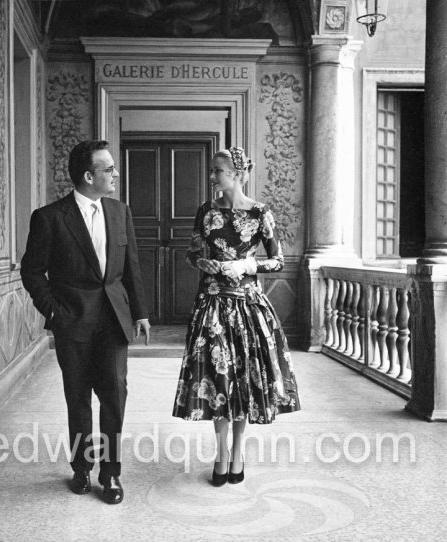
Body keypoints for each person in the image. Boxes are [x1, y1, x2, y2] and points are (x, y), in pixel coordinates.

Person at [21, 139, 150, 504]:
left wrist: (139, 312)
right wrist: (53, 311)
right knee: (77, 400)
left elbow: (131, 267)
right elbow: (32, 271)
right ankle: (81, 468)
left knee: (114, 398)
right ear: (88, 175)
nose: (116, 174)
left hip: (113, 320)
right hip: (72, 323)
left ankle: (110, 475)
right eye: (109, 169)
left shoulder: (119, 212)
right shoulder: (48, 217)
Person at [172, 146, 300, 486]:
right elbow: (190, 253)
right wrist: (203, 263)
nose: (212, 176)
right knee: (218, 380)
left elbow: (278, 261)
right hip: (211, 306)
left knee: (242, 380)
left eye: (218, 170)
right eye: (213, 170)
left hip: (247, 308)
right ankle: (221, 453)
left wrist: (248, 264)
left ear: (238, 174)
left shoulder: (259, 213)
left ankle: (239, 450)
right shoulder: (205, 211)